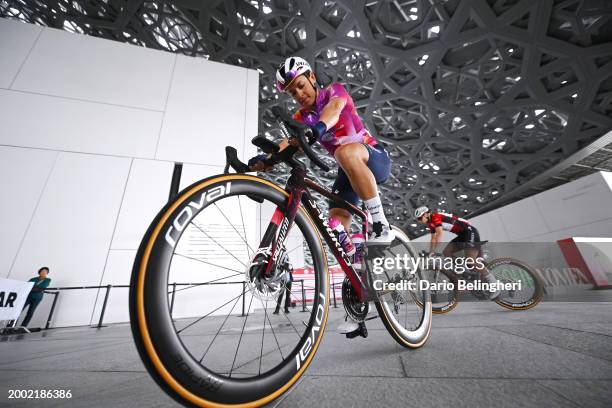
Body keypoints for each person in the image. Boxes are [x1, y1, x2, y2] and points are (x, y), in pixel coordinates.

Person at [249, 56, 394, 338]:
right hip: (347, 169)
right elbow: (290, 144)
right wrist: (265, 161)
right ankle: (358, 283)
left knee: (344, 153)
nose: (299, 94)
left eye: (301, 86)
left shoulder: (333, 92)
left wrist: (318, 129)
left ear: (312, 78)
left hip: (370, 157)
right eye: (292, 92)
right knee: (335, 225)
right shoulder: (303, 118)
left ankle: (380, 223)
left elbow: (335, 110)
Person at [414, 206, 499, 299]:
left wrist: (432, 252)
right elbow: (433, 238)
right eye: (418, 219)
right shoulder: (431, 224)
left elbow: (439, 234)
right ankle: (464, 270)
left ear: (426, 214)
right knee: (446, 252)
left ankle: (494, 285)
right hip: (462, 234)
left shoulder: (435, 216)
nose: (419, 221)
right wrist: (431, 252)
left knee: (470, 261)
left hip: (469, 232)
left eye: (420, 218)